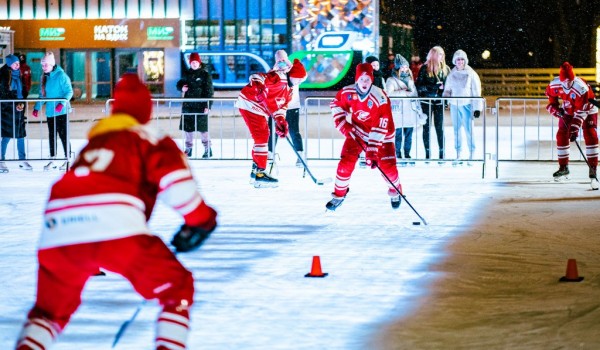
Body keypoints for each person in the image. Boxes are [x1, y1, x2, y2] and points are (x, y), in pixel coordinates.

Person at [14, 74, 218, 349]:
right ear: (147, 111)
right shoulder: (148, 137)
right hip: (115, 225)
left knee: (48, 313)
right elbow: (178, 185)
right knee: (176, 287)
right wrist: (202, 221)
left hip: (58, 230)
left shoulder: (92, 144)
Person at [326, 63, 402, 211]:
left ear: (372, 80)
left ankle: (396, 190)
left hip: (382, 135)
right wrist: (342, 123)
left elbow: (381, 124)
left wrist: (372, 150)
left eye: (368, 79)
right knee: (345, 164)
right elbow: (336, 104)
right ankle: (339, 195)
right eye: (362, 79)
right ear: (356, 80)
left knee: (388, 169)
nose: (365, 82)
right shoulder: (348, 92)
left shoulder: (380, 97)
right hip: (358, 132)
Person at [236, 52, 307, 188]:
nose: (298, 82)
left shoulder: (289, 91)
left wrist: (281, 121)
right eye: (298, 79)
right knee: (262, 137)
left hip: (258, 109)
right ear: (293, 76)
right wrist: (259, 86)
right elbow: (256, 76)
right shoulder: (279, 76)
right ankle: (260, 174)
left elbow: (280, 107)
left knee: (262, 137)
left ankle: (256, 170)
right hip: (250, 103)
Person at [545, 62, 599, 189]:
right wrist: (554, 108)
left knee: (590, 135)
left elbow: (582, 111)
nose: (568, 84)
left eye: (571, 81)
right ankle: (563, 167)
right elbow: (551, 97)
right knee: (561, 134)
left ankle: (593, 168)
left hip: (587, 108)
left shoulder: (581, 88)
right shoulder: (554, 84)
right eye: (565, 82)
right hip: (569, 107)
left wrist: (574, 128)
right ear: (561, 80)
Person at [32, 52, 73, 171]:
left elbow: (69, 92)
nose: (43, 67)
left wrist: (62, 103)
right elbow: (42, 95)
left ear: (51, 64)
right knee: (52, 136)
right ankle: (53, 158)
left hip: (61, 112)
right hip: (50, 112)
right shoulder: (44, 77)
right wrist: (37, 107)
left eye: (45, 65)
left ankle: (67, 159)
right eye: (42, 65)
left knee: (63, 136)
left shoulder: (62, 76)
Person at [267, 53, 309, 168]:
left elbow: (304, 76)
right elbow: (266, 83)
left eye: (283, 59)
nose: (281, 62)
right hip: (275, 108)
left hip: (292, 107)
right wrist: (274, 69)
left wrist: (290, 65)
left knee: (294, 131)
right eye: (279, 60)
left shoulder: (295, 72)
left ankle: (300, 155)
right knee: (271, 132)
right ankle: (270, 155)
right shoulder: (273, 73)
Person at [442, 49, 483, 162]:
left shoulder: (471, 74)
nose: (460, 61)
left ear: (465, 61)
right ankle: (458, 153)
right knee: (456, 130)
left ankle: (472, 152)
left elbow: (476, 91)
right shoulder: (452, 74)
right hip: (455, 106)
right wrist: (445, 100)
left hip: (467, 105)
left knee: (469, 130)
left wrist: (477, 108)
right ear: (455, 61)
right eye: (458, 59)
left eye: (462, 59)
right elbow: (447, 90)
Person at [385, 54, 426, 164]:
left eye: (406, 67)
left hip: (410, 111)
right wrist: (403, 92)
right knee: (398, 135)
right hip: (398, 112)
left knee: (409, 136)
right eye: (402, 67)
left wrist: (419, 111)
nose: (404, 69)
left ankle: (407, 154)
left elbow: (415, 96)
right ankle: (398, 155)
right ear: (398, 67)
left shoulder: (410, 80)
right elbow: (388, 94)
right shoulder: (391, 80)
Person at [177, 52, 214, 158]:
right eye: (192, 62)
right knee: (188, 129)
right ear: (190, 63)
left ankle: (208, 149)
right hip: (188, 105)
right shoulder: (187, 73)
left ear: (199, 62)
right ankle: (188, 149)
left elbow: (209, 91)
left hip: (201, 106)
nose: (194, 64)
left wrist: (208, 105)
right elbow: (179, 83)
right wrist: (181, 88)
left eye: (196, 62)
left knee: (203, 129)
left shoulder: (205, 75)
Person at [416, 46, 450, 161]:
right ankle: (427, 153)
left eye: (442, 54)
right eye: (439, 54)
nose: (441, 57)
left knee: (439, 128)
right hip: (426, 102)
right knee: (426, 128)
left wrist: (445, 95)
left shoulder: (446, 69)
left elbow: (449, 88)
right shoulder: (424, 68)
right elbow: (419, 87)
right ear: (433, 55)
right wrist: (432, 87)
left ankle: (442, 152)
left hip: (439, 102)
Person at [0, 54, 31, 172]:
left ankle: (22, 159)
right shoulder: (3, 75)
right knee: (7, 136)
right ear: (9, 64)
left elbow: (22, 92)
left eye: (18, 63)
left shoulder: (19, 75)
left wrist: (21, 103)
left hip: (19, 110)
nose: (17, 65)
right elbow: (3, 94)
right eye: (15, 63)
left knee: (21, 135)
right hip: (7, 111)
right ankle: (1, 160)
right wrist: (14, 105)